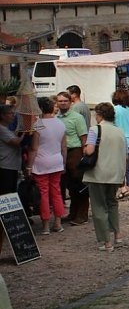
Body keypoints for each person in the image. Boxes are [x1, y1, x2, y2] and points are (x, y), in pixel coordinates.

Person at [82, 102, 128, 252]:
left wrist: (83, 149)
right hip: (115, 173)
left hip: (98, 173)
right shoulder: (120, 131)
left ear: (99, 115)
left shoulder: (95, 130)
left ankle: (106, 241)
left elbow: (89, 151)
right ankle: (118, 234)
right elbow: (125, 155)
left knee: (99, 207)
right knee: (112, 203)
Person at [28, 97, 67, 235]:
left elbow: (34, 148)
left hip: (41, 162)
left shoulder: (38, 125)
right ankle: (58, 222)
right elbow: (64, 147)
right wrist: (64, 163)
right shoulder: (61, 124)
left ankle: (45, 225)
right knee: (56, 192)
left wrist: (28, 166)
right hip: (57, 160)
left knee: (43, 193)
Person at [56, 92, 89, 226]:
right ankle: (73, 213)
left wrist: (84, 157)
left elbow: (83, 138)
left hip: (75, 152)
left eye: (65, 101)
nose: (62, 103)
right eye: (60, 101)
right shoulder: (56, 118)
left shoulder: (77, 117)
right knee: (69, 185)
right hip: (61, 153)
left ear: (70, 102)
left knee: (80, 184)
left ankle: (82, 214)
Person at [0, 105, 23, 195]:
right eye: (10, 113)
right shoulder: (1, 129)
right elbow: (16, 141)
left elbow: (14, 135)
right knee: (6, 194)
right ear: (2, 115)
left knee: (12, 192)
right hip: (5, 166)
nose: (13, 116)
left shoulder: (6, 128)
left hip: (11, 166)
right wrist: (25, 133)